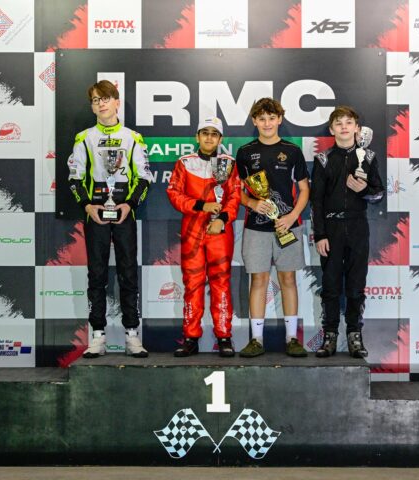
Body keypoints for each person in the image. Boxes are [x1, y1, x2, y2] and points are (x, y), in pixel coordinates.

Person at [67, 80, 152, 358]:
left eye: (105, 98)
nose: (101, 104)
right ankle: (98, 336)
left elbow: (145, 176)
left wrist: (130, 204)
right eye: (95, 100)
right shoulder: (84, 138)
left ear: (117, 102)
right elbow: (75, 177)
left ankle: (132, 334)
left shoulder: (133, 137)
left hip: (125, 213)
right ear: (92, 107)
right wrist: (87, 206)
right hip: (96, 215)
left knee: (128, 274)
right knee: (97, 275)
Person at [236, 98, 310, 358]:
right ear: (254, 121)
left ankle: (292, 338)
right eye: (262, 119)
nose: (267, 123)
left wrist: (292, 216)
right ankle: (256, 340)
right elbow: (237, 191)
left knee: (288, 279)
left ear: (280, 119)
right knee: (258, 280)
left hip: (288, 227)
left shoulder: (293, 151)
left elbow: (304, 189)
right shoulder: (245, 152)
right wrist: (252, 203)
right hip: (256, 229)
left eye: (271, 118)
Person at [310, 105, 385, 358]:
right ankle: (329, 335)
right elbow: (316, 201)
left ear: (357, 128)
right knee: (330, 285)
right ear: (331, 130)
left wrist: (363, 190)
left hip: (357, 226)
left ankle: (355, 335)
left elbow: (379, 194)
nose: (344, 127)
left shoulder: (369, 157)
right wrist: (320, 235)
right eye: (338, 123)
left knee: (356, 285)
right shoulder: (322, 159)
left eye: (348, 122)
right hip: (331, 229)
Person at [166, 118, 241, 357]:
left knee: (221, 283)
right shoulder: (184, 162)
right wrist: (201, 205)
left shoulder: (229, 163)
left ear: (221, 139)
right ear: (197, 137)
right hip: (193, 229)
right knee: (193, 283)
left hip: (220, 231)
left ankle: (224, 337)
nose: (209, 137)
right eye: (205, 133)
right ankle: (190, 337)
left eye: (214, 134)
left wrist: (222, 219)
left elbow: (235, 196)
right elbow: (174, 194)